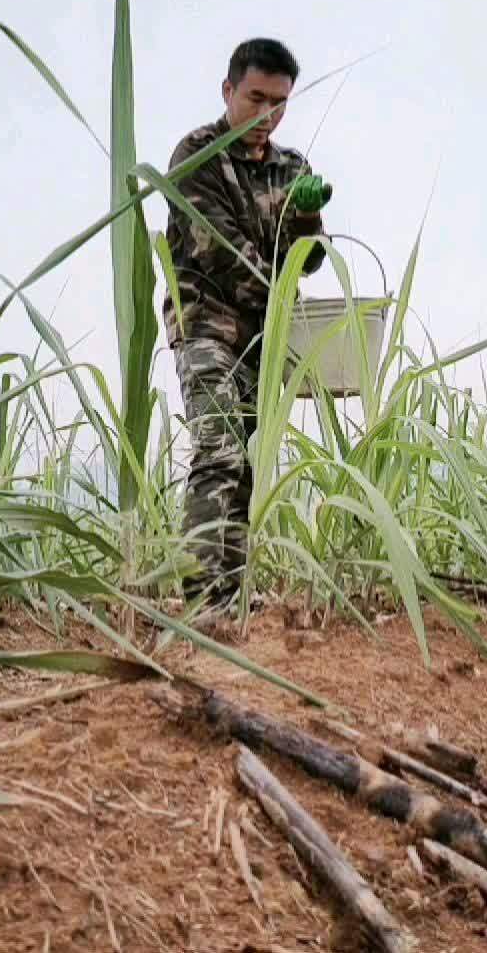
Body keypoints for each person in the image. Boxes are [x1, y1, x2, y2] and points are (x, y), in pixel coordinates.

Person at [161, 37, 331, 625]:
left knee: (250, 464)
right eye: (256, 99)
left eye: (279, 104)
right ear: (228, 90)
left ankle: (230, 596)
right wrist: (284, 303)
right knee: (218, 451)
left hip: (265, 335)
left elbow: (308, 259)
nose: (266, 116)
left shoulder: (291, 167)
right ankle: (204, 603)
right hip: (206, 323)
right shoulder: (197, 154)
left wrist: (307, 216)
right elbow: (222, 254)